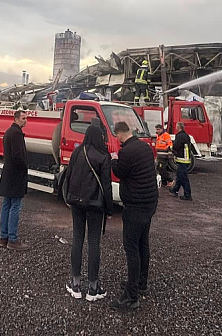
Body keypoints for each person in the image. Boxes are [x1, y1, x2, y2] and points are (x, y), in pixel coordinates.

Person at [110, 121, 158, 312]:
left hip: (135, 205)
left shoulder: (126, 152)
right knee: (143, 243)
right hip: (149, 202)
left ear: (119, 135)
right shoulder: (144, 147)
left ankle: (131, 297)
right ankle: (140, 282)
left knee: (131, 248)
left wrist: (114, 159)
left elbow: (120, 171)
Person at [63, 124, 114, 301]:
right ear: (100, 137)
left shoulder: (78, 152)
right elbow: (106, 186)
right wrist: (109, 209)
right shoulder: (103, 156)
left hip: (76, 202)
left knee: (77, 239)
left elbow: (69, 175)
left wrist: (68, 198)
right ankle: (93, 288)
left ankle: (75, 284)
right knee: (94, 243)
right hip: (95, 205)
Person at [0, 110, 30, 251]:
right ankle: (13, 239)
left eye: (26, 118)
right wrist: (25, 167)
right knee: (15, 206)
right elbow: (17, 156)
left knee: (6, 204)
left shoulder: (8, 132)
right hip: (16, 175)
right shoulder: (16, 134)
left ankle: (3, 238)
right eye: (23, 118)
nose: (25, 121)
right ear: (16, 119)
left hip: (8, 173)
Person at [170, 122, 193, 201]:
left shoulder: (179, 136)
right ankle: (175, 189)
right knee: (179, 176)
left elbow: (176, 146)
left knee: (183, 177)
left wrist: (171, 148)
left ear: (178, 127)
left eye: (176, 126)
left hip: (182, 159)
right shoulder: (186, 135)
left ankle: (187, 195)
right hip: (186, 159)